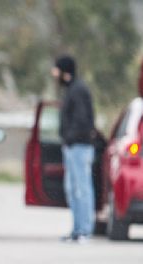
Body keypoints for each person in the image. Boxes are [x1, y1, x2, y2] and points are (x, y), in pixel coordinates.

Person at [52, 54, 96, 244]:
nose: (54, 75)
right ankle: (77, 229)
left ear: (65, 71)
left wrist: (70, 138)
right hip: (72, 146)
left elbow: (82, 120)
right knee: (72, 189)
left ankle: (85, 230)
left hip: (80, 147)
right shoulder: (71, 89)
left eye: (56, 70)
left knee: (82, 188)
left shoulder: (78, 90)